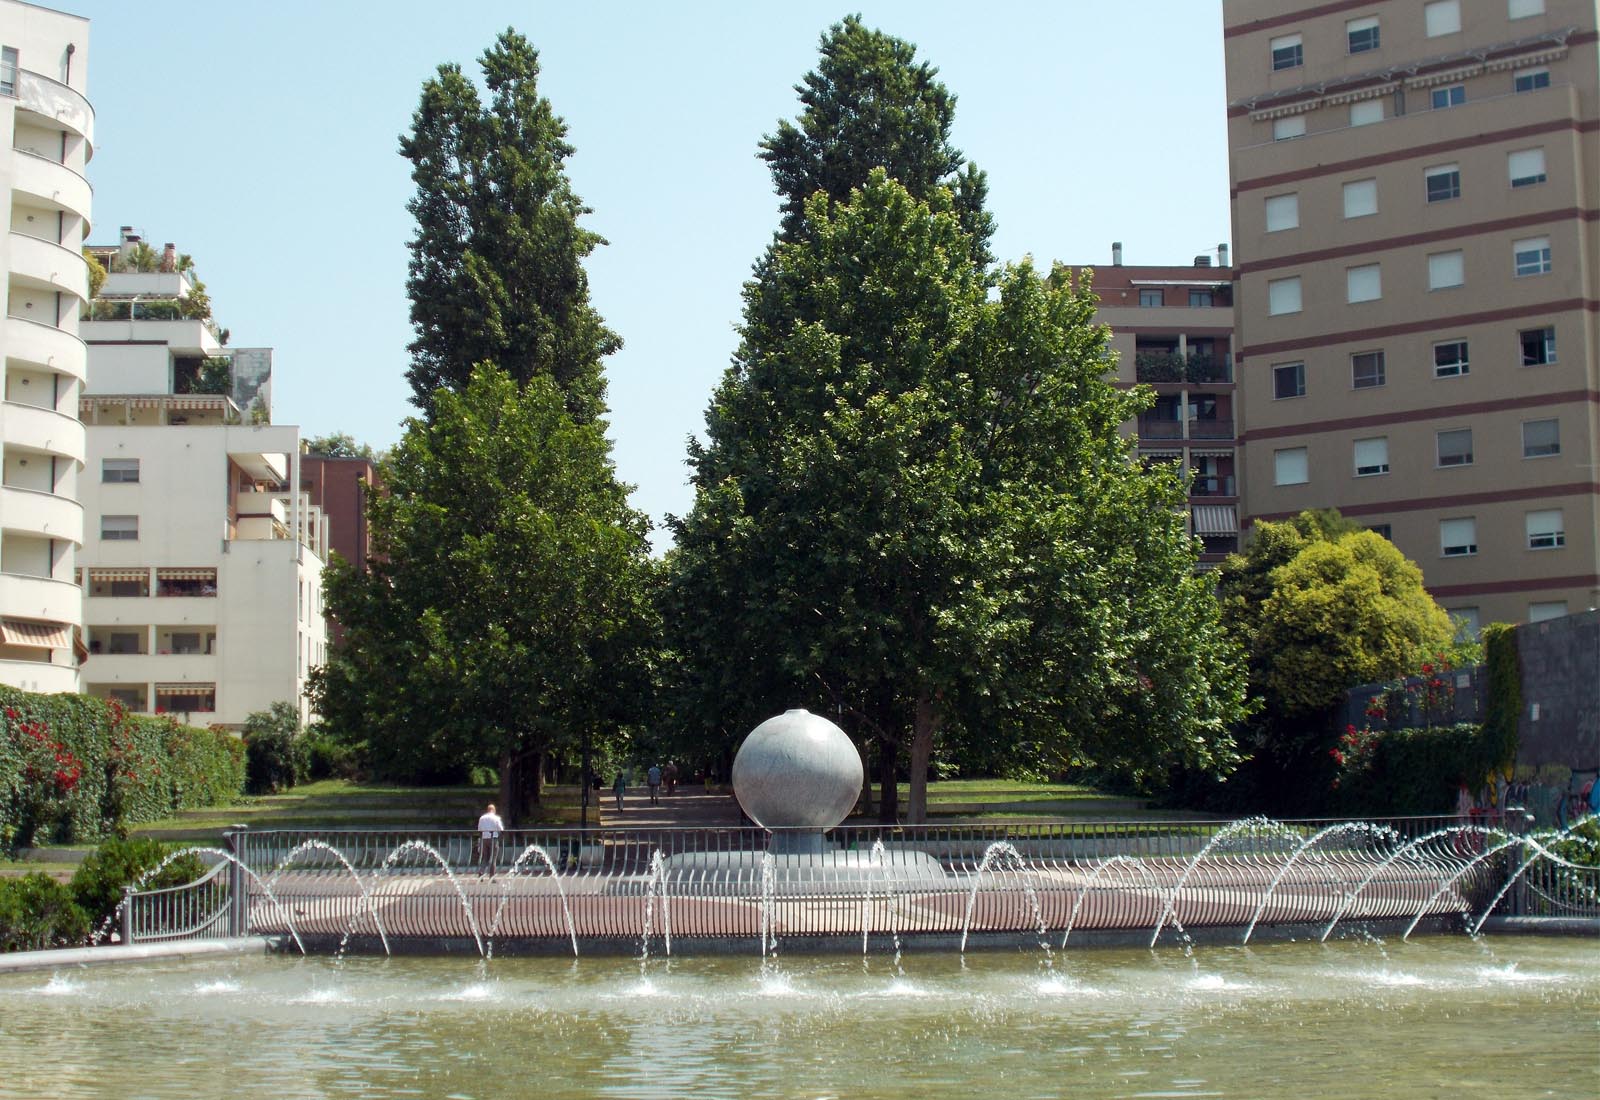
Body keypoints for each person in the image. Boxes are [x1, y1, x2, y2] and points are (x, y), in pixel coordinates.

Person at [476, 802, 504, 879]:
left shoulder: (482, 818)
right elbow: (500, 828)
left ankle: (481, 872)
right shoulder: (496, 818)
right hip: (493, 838)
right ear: (494, 810)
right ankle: (492, 876)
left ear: (487, 810)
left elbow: (479, 829)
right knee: (493, 858)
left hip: (484, 838)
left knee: (484, 857)